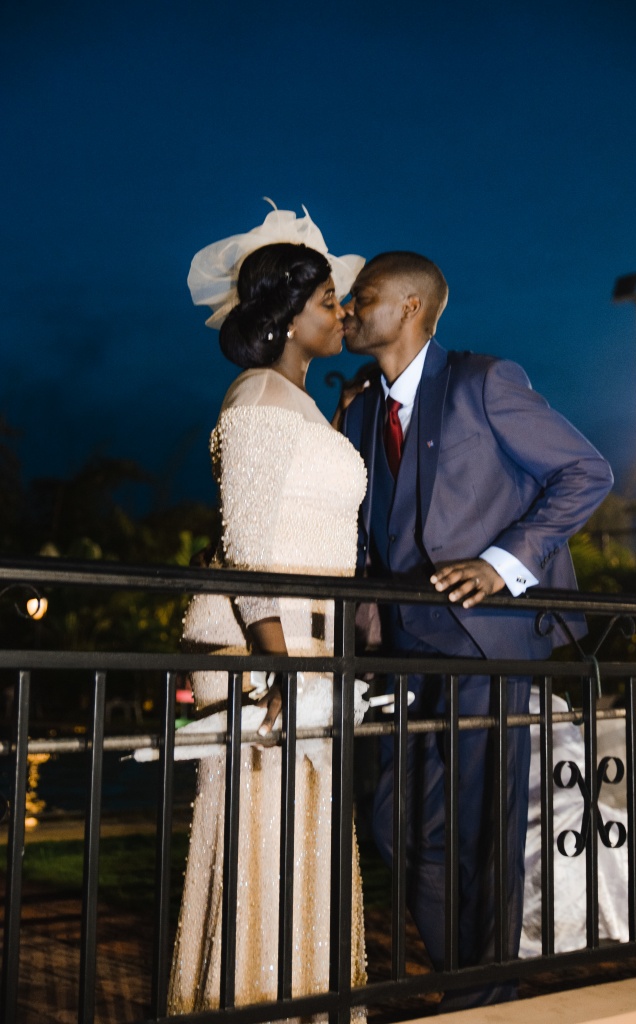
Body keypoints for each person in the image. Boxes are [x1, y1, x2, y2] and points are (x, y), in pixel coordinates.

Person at [340, 250, 613, 1008]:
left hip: (487, 642)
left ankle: (481, 1003)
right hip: (404, 651)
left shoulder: (483, 382)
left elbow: (586, 472)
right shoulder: (360, 411)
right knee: (397, 825)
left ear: (411, 307)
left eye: (364, 296)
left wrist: (502, 563)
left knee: (482, 836)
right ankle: (475, 981)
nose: (349, 309)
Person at [167, 205, 368, 1014]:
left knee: (308, 845)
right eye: (327, 302)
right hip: (270, 655)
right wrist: (280, 664)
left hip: (311, 651)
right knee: (266, 843)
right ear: (286, 316)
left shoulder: (300, 401)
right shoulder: (255, 397)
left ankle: (308, 1000)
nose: (340, 313)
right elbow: (247, 545)